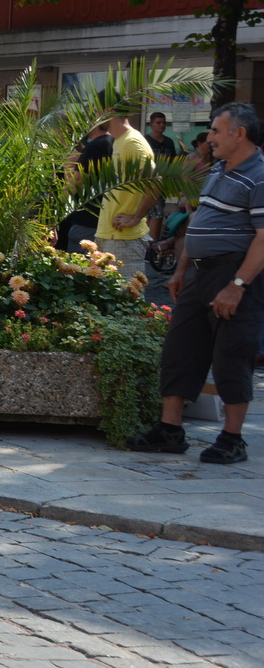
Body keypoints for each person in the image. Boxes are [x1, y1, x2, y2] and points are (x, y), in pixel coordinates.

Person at [128, 101, 259, 465]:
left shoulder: (260, 175)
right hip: (199, 272)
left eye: (216, 130)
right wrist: (182, 268)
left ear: (240, 133)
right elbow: (200, 220)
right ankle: (170, 430)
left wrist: (237, 285)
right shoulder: (218, 169)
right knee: (180, 350)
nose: (210, 137)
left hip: (232, 273)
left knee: (232, 355)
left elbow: (263, 239)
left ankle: (232, 439)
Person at [95, 108, 156, 273]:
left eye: (96, 111)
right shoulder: (119, 140)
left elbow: (156, 181)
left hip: (123, 238)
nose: (95, 117)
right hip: (113, 235)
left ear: (109, 111)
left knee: (127, 295)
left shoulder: (132, 142)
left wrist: (136, 218)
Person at [57, 123, 111, 251]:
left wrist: (54, 210)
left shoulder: (90, 148)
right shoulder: (108, 142)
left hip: (81, 217)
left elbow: (76, 182)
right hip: (88, 216)